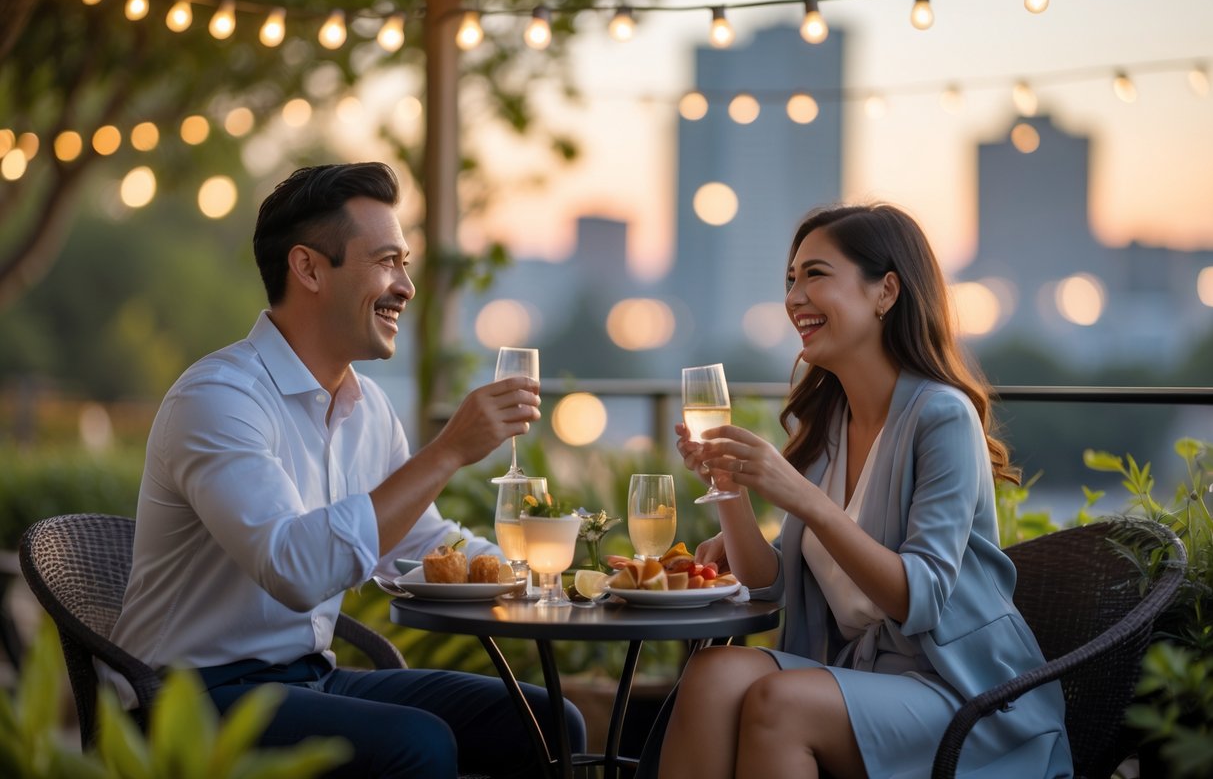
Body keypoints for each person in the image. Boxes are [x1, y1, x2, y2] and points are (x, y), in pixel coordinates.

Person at [105, 162, 585, 778]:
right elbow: (294, 569)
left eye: (405, 263)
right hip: (183, 698)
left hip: (309, 680)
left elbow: (421, 544)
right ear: (307, 268)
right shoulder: (219, 398)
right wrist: (446, 452)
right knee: (419, 744)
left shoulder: (367, 408)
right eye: (387, 261)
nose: (406, 286)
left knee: (550, 726)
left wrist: (543, 575)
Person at [660, 204, 1072, 778]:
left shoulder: (941, 417)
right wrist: (728, 490)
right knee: (713, 675)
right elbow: (776, 582)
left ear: (886, 292)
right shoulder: (828, 424)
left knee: (779, 705)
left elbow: (919, 597)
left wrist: (803, 499)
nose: (794, 297)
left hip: (960, 691)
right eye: (790, 279)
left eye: (816, 275)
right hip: (859, 677)